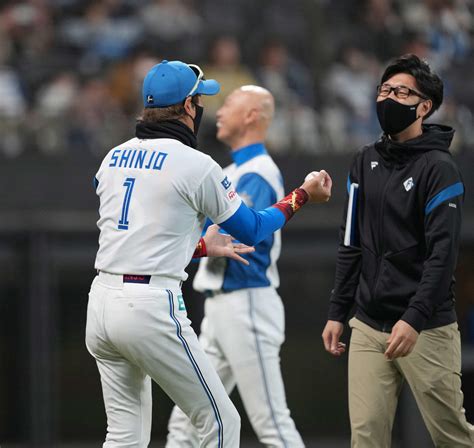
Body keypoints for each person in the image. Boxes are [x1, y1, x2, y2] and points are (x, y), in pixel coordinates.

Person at [86, 59, 332, 448]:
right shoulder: (197, 164)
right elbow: (252, 228)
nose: (203, 108)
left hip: (101, 304)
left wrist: (200, 246)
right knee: (220, 423)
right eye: (200, 100)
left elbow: (138, 239)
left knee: (124, 436)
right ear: (187, 107)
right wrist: (301, 196)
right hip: (150, 305)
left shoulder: (112, 157)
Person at [322, 54, 474, 447]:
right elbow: (350, 241)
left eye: (401, 91)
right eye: (385, 89)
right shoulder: (363, 161)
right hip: (369, 325)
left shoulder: (439, 168)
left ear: (424, 107)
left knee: (451, 437)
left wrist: (415, 316)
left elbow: (443, 256)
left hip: (426, 327)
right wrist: (339, 312)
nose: (389, 97)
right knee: (366, 438)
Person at [166, 85, 305, 447]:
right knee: (186, 424)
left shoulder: (257, 171)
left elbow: (245, 233)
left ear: (251, 116)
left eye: (229, 103)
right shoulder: (232, 169)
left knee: (272, 423)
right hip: (221, 305)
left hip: (247, 301)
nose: (219, 110)